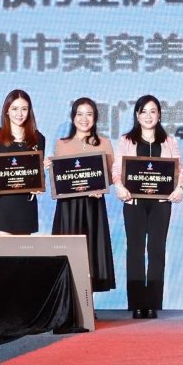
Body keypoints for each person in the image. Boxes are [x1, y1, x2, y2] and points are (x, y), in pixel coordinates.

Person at [114, 95, 183, 319]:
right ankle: (137, 304)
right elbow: (117, 169)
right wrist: (119, 187)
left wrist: (180, 188)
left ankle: (153, 303)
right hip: (133, 202)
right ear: (137, 115)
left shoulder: (169, 141)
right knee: (135, 251)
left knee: (156, 251)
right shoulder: (126, 140)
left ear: (159, 115)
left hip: (161, 204)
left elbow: (179, 170)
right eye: (143, 111)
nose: (148, 116)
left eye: (153, 111)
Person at [51, 96, 117, 294]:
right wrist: (50, 169)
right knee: (68, 252)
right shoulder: (62, 143)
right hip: (68, 207)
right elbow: (59, 177)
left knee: (91, 252)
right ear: (73, 117)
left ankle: (88, 302)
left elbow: (111, 175)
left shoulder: (104, 143)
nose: (84, 119)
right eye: (79, 114)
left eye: (89, 114)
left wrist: (101, 186)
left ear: (95, 118)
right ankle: (68, 302)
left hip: (93, 207)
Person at [0, 89, 47, 236]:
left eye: (24, 109)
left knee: (23, 251)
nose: (19, 114)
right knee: (2, 251)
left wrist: (40, 185)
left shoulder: (38, 138)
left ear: (29, 111)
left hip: (26, 207)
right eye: (14, 109)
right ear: (6, 110)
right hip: (2, 205)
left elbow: (38, 172)